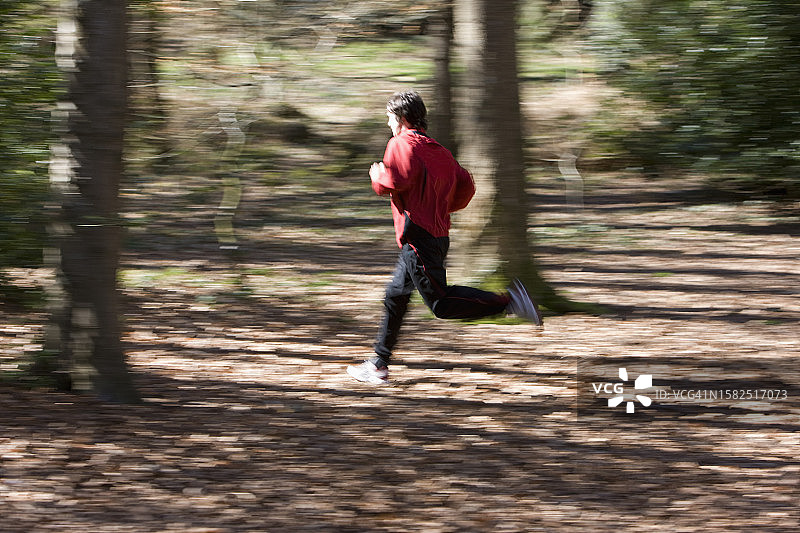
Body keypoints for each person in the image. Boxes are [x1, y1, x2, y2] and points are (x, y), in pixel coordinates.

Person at [347, 90, 542, 384]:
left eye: (389, 118)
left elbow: (396, 180)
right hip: (436, 234)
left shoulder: (400, 143)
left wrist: (377, 176)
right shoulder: (439, 149)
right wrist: (439, 206)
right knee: (395, 296)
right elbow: (466, 185)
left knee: (441, 304)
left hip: (418, 238)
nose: (388, 123)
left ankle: (511, 301)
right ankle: (378, 365)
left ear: (400, 118)